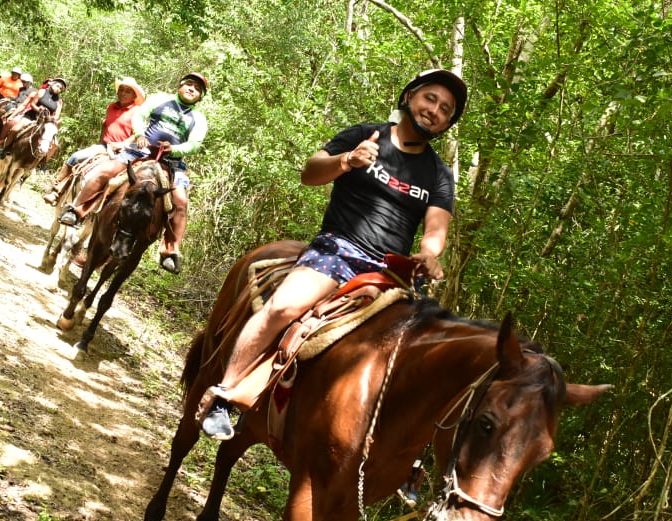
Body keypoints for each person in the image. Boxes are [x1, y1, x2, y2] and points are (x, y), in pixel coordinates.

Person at [199, 68, 467, 440]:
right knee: (284, 308)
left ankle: (399, 456)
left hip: (388, 275)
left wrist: (430, 254)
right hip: (338, 250)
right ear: (409, 97)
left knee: (418, 355)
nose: (435, 110)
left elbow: (436, 228)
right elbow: (309, 173)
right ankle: (224, 395)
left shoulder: (438, 175)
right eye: (430, 98)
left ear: (447, 123)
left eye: (446, 109)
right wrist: (347, 161)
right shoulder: (365, 134)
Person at [58, 71, 209, 275]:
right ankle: (76, 211)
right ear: (180, 86)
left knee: (181, 202)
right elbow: (140, 115)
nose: (192, 89)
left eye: (197, 88)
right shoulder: (161, 99)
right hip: (142, 151)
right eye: (189, 84)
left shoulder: (198, 119)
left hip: (171, 162)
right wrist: (139, 134)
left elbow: (194, 144)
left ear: (200, 96)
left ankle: (170, 251)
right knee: (105, 171)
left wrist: (174, 149)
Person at [43, 77, 146, 205]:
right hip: (105, 146)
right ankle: (57, 189)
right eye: (121, 90)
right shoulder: (111, 107)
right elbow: (106, 125)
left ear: (134, 96)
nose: (123, 93)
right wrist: (101, 142)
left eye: (128, 91)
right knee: (75, 157)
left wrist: (122, 144)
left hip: (125, 152)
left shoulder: (137, 111)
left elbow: (138, 133)